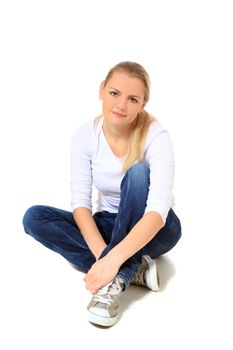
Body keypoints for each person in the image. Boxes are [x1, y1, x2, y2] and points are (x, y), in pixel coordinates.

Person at [23, 61, 182, 327]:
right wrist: (104, 256)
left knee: (139, 174)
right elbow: (81, 204)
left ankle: (115, 282)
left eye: (133, 99)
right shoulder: (85, 135)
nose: (121, 105)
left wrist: (113, 262)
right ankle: (134, 270)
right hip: (108, 223)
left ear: (143, 104)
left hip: (157, 229)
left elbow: (157, 212)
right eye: (114, 93)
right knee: (34, 218)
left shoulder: (157, 136)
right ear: (101, 90)